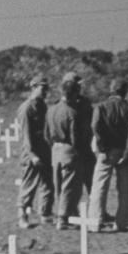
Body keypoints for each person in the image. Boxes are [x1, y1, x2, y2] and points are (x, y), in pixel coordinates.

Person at [88, 79, 128, 232]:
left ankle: (94, 222)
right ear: (124, 91)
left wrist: (102, 146)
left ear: (111, 90)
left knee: (99, 186)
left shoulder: (102, 107)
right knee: (125, 188)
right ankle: (121, 222)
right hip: (123, 151)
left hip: (106, 151)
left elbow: (95, 126)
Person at [44, 72, 88, 230]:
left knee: (58, 186)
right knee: (69, 186)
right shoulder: (72, 112)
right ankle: (63, 218)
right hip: (69, 151)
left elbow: (46, 134)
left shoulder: (51, 109)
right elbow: (75, 137)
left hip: (55, 151)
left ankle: (64, 214)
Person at [15, 74, 54, 230]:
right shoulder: (27, 108)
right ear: (33, 87)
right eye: (42, 88)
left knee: (48, 183)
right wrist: (32, 155)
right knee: (29, 184)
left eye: (46, 89)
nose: (45, 92)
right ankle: (22, 214)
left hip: (44, 149)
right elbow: (26, 135)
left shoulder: (42, 106)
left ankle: (45, 213)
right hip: (31, 152)